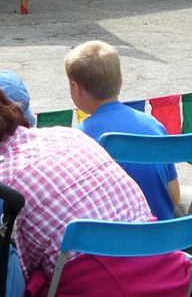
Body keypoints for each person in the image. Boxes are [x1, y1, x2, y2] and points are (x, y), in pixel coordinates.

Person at [0, 78, 192, 297]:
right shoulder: (70, 135)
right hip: (173, 274)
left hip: (103, 287)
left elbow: (12, 273)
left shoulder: (1, 180)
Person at [66, 41, 180, 220]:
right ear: (120, 80)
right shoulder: (153, 125)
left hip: (113, 235)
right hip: (162, 232)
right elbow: (175, 197)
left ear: (75, 88)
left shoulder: (78, 138)